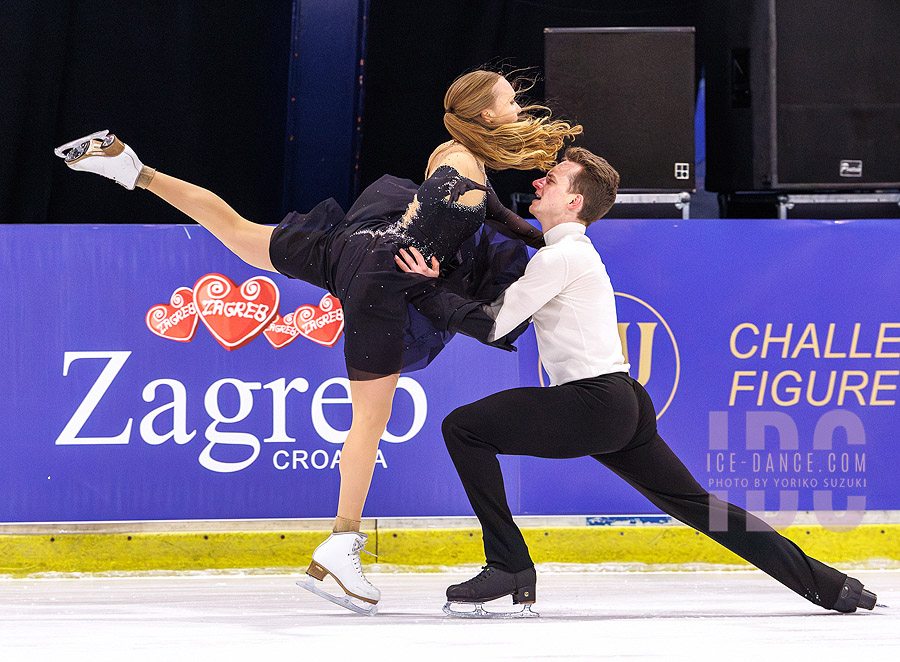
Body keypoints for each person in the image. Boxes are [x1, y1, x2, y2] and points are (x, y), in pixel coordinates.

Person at [53, 69, 582, 615]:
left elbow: (487, 217)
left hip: (352, 248)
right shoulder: (463, 167)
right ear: (487, 115)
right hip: (383, 277)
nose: (518, 107)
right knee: (368, 423)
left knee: (237, 231)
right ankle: (342, 542)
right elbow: (448, 216)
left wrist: (544, 235)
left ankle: (134, 170)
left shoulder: (452, 151)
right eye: (510, 100)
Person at [396, 146, 878, 617]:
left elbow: (496, 325)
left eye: (554, 178)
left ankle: (510, 566)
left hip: (593, 403)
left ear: (574, 202)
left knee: (463, 428)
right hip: (623, 403)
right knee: (703, 509)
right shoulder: (568, 251)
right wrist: (493, 211)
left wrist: (425, 289)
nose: (539, 180)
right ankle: (832, 587)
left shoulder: (559, 259)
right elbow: (528, 246)